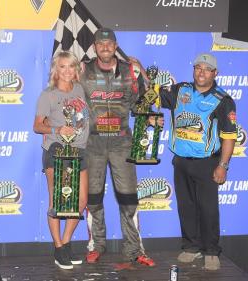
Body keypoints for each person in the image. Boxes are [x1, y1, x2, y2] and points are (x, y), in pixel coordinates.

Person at [79, 27, 155, 267]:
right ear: (94, 47)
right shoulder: (83, 70)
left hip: (122, 141)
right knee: (93, 197)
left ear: (115, 45)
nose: (105, 48)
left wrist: (143, 73)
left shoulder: (129, 71)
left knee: (129, 197)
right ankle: (96, 245)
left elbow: (144, 100)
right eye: (100, 44)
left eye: (109, 44)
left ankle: (134, 249)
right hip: (93, 141)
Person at [158, 53, 237, 270]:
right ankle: (191, 247)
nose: (201, 72)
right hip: (181, 161)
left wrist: (223, 165)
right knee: (186, 206)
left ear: (215, 73)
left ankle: (211, 250)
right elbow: (154, 96)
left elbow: (229, 137)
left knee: (208, 209)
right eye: (197, 68)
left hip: (207, 163)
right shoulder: (180, 90)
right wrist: (140, 72)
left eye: (206, 69)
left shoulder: (223, 100)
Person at [33, 51, 90, 270]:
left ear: (76, 69)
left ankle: (66, 243)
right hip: (56, 150)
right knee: (57, 201)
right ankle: (58, 247)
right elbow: (37, 126)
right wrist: (58, 128)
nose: (67, 71)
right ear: (56, 69)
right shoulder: (48, 94)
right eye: (63, 67)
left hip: (79, 150)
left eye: (71, 67)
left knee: (81, 201)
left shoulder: (79, 90)